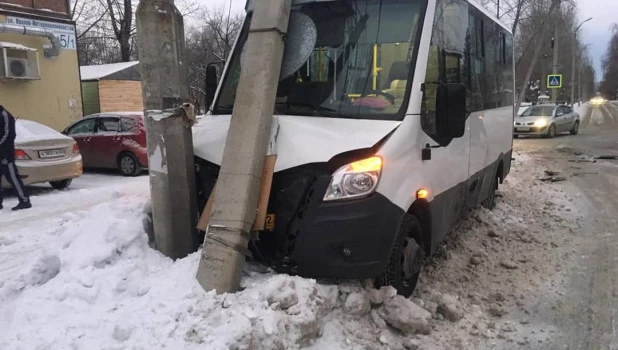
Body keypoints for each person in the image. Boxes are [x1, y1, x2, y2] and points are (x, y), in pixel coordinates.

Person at [0, 105, 31, 211]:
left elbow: (8, 134)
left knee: (12, 177)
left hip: (5, 153)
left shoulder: (4, 115)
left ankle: (24, 200)